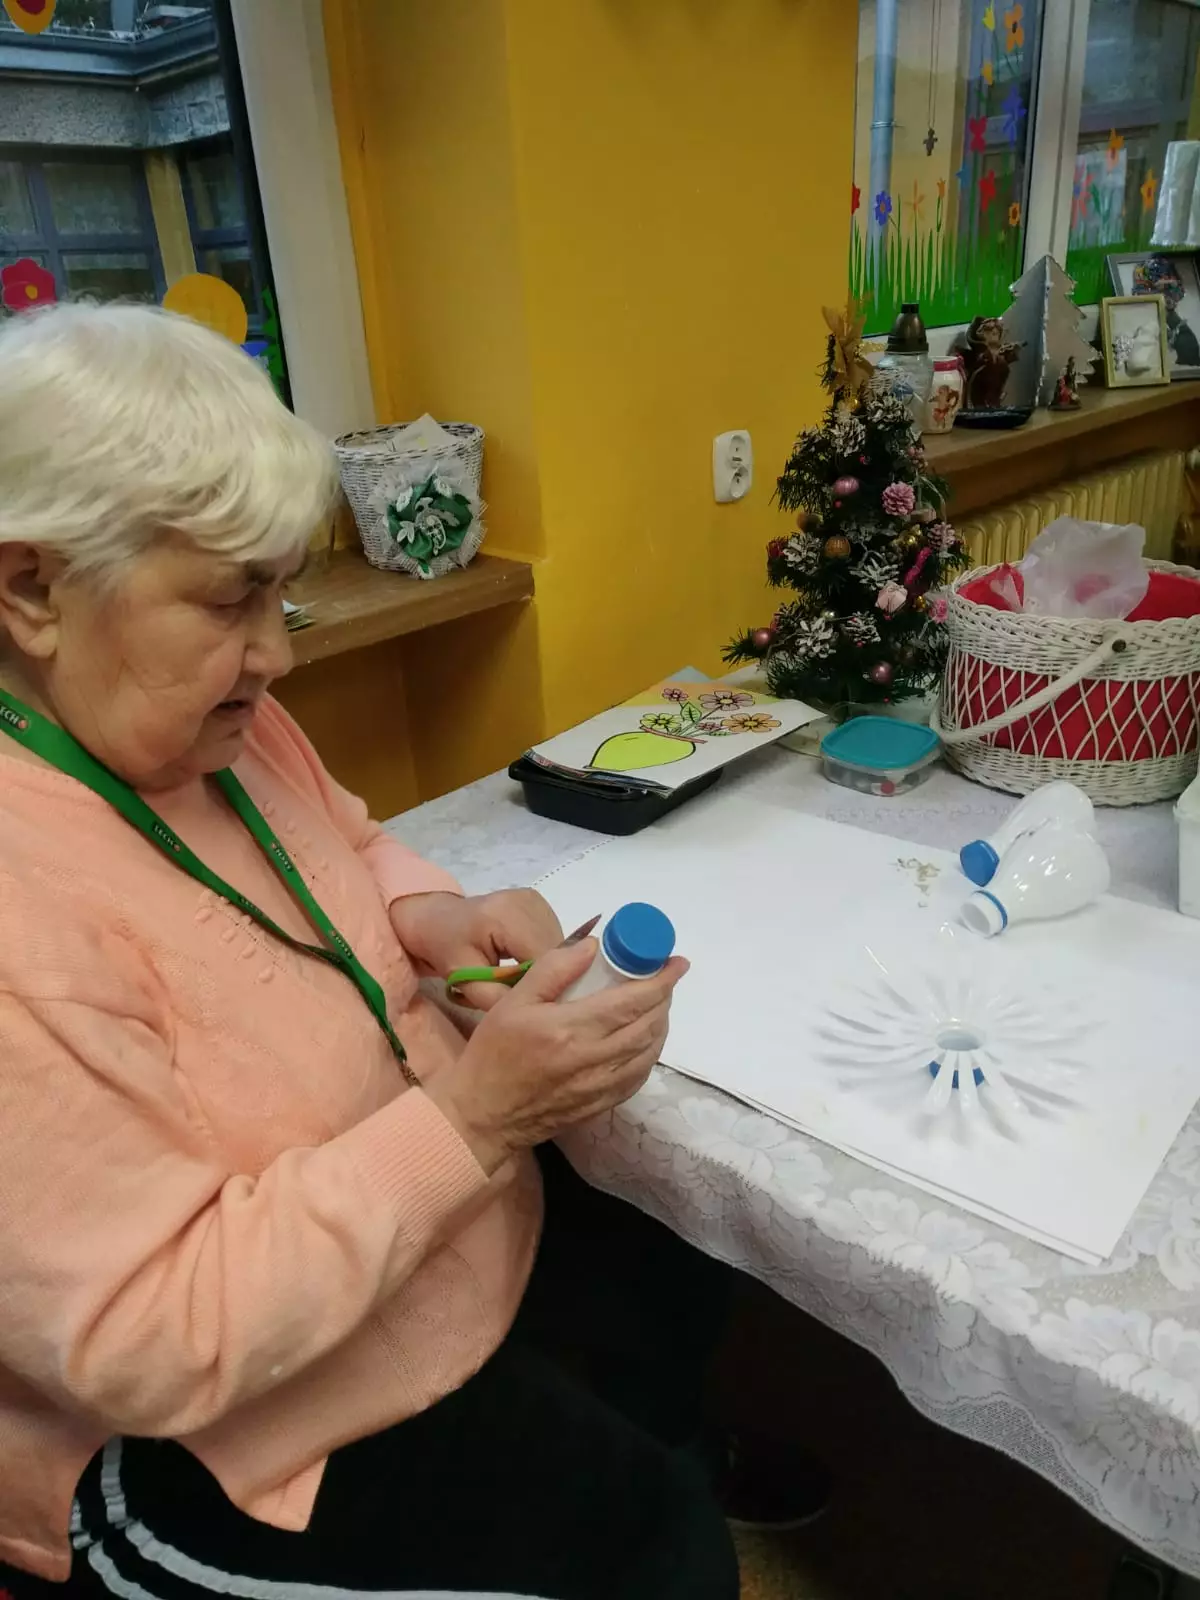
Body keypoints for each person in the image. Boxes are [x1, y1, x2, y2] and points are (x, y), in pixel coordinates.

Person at [0, 303, 749, 1600]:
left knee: (677, 1251)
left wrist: (432, 918)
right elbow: (156, 1343)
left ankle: (652, 1447)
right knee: (663, 1551)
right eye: (231, 600)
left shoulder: (210, 722)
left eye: (283, 591)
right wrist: (475, 1121)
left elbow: (343, 840)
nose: (277, 654)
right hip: (217, 1434)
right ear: (29, 589)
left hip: (395, 1256)